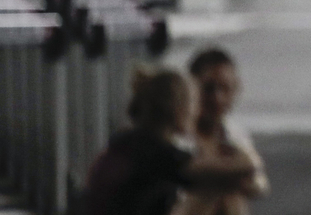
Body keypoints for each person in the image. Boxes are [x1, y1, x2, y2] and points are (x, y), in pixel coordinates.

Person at [79, 65, 258, 215]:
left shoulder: (129, 142)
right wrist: (238, 152)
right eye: (193, 103)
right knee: (219, 188)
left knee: (217, 187)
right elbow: (244, 168)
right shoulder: (158, 153)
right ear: (177, 108)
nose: (197, 112)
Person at [180, 48, 268, 215]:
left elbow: (260, 185)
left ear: (236, 90)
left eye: (225, 89)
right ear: (191, 87)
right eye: (209, 89)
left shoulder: (234, 134)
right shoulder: (178, 136)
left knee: (231, 195)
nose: (217, 98)